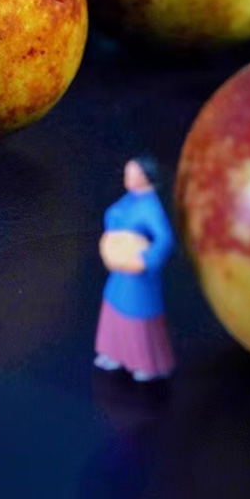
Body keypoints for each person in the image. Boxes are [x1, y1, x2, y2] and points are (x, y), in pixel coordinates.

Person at [95, 156, 175, 381]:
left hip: (137, 273)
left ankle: (146, 363)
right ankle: (114, 354)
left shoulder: (151, 207)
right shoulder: (130, 199)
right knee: (113, 307)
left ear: (146, 177)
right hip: (120, 269)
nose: (127, 178)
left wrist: (146, 260)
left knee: (137, 314)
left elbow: (165, 239)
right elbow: (114, 216)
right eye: (127, 173)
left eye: (133, 174)